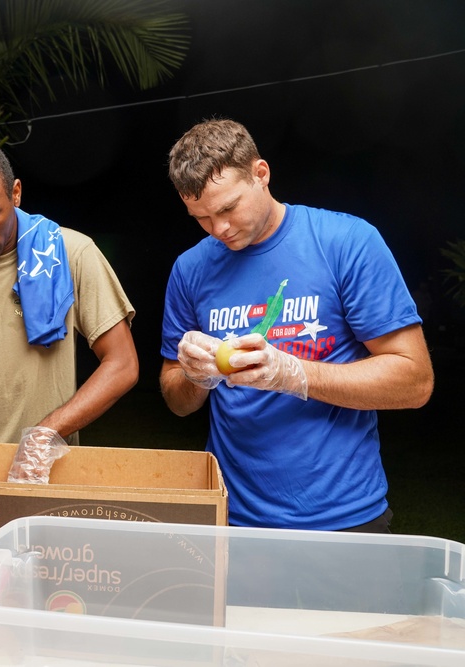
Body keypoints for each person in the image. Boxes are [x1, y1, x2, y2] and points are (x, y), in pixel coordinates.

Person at [159, 118, 434, 532]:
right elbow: (177, 400)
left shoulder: (347, 242)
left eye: (228, 208)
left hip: (346, 518)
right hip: (235, 520)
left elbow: (415, 382)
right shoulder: (190, 269)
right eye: (201, 217)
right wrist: (196, 377)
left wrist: (294, 374)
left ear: (261, 174)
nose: (219, 229)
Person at [0, 136, 139, 470]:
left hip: (46, 466)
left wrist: (47, 433)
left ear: (15, 193)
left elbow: (122, 365)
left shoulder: (72, 254)